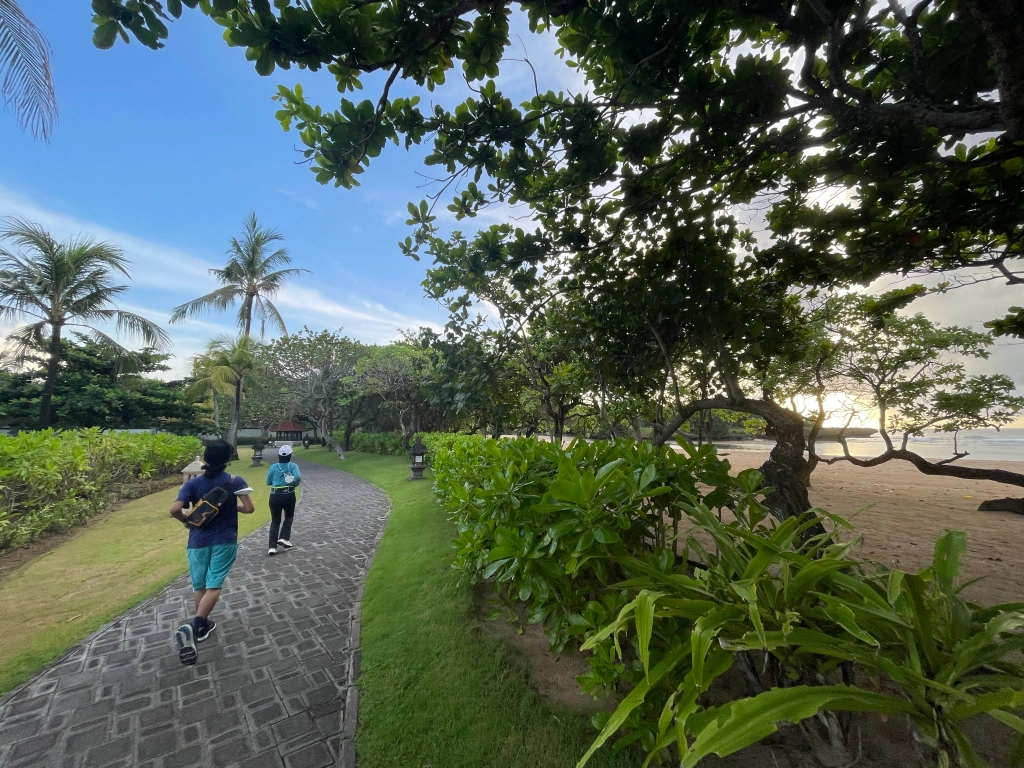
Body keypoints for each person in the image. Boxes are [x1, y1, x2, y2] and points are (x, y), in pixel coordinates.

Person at [169, 440, 254, 666]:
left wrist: (186, 520)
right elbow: (249, 508)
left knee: (200, 586)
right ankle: (196, 624)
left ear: (205, 458)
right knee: (214, 584)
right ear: (227, 459)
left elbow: (175, 509)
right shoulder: (235, 481)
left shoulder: (193, 484)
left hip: (197, 541)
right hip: (225, 540)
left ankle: (203, 627)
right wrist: (231, 507)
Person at [266, 444, 301, 556]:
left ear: (279, 456)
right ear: (289, 456)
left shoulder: (273, 467)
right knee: (289, 516)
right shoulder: (293, 466)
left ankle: (272, 547)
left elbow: (268, 482)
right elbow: (298, 477)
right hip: (288, 494)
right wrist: (294, 484)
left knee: (275, 521)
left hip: (274, 495)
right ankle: (284, 538)